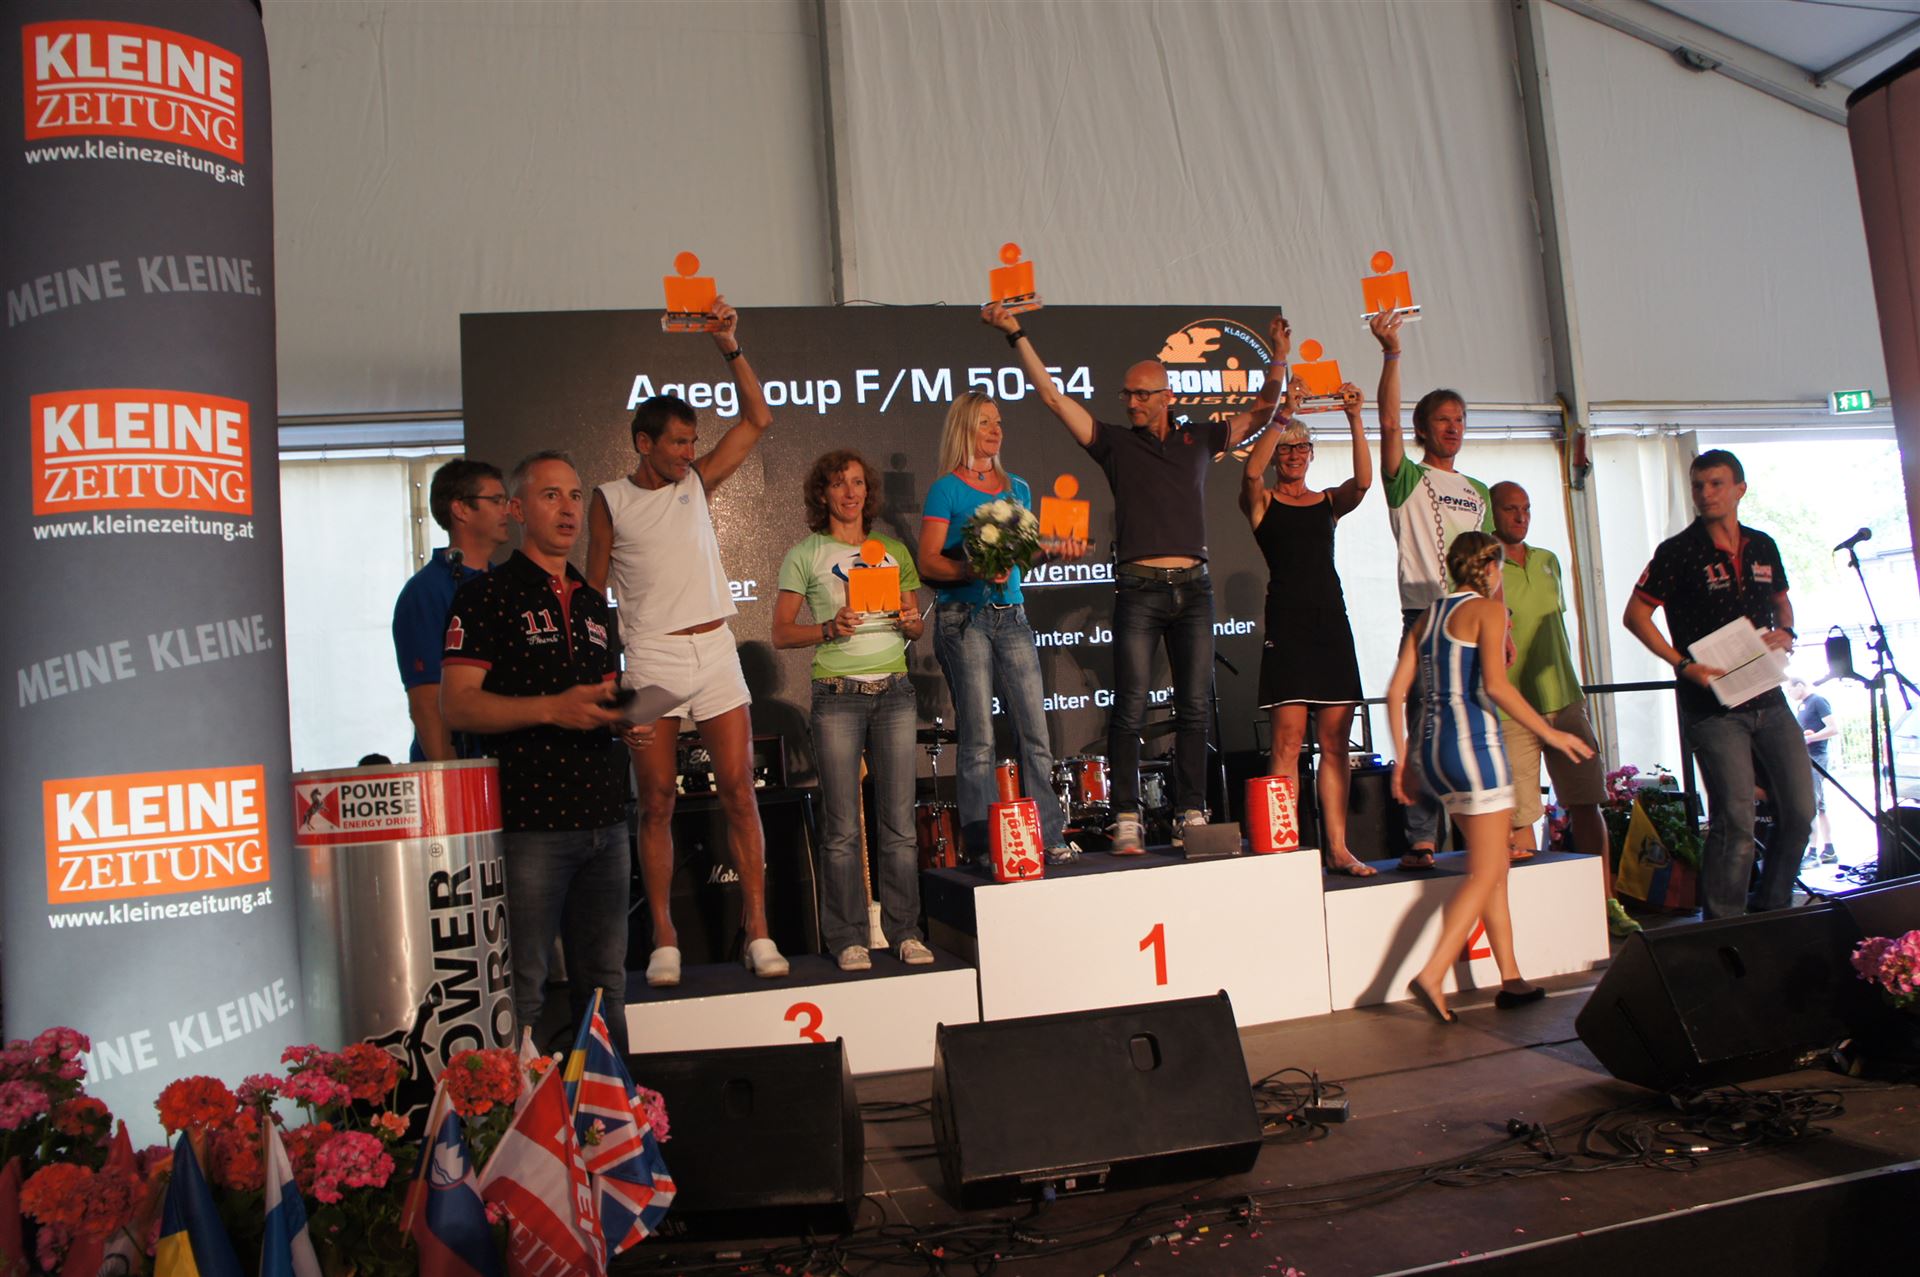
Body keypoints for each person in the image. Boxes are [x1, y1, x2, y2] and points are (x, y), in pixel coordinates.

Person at [985, 303, 1288, 851]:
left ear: (1167, 396)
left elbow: (1261, 413)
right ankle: (1127, 813)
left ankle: (1190, 811)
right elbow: (1052, 397)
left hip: (1193, 590)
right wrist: (1015, 333)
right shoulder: (1115, 444)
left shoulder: (1200, 439)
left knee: (1194, 706)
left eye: (1141, 394)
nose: (1130, 402)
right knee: (1128, 706)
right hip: (1140, 590)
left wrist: (1280, 359)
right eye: (1126, 395)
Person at [585, 295, 790, 985]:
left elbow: (758, 419)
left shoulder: (696, 484)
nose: (688, 452)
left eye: (692, 441)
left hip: (716, 653)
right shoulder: (609, 499)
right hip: (650, 660)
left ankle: (757, 931)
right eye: (677, 442)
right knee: (657, 802)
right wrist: (607, 682)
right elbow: (591, 596)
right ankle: (664, 938)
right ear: (643, 442)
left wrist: (728, 344)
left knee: (739, 791)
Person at [441, 451, 644, 1054]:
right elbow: (458, 705)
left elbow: (598, 697)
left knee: (606, 986)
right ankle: (515, 1112)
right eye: (551, 495)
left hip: (605, 819)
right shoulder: (486, 596)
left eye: (575, 495)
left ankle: (612, 1110)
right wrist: (552, 708)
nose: (568, 508)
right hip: (531, 823)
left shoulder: (592, 601)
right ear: (518, 509)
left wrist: (622, 720)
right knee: (523, 990)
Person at [1387, 532, 1595, 1022]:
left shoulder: (1428, 616)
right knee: (1485, 872)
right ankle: (1433, 974)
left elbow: (1396, 692)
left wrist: (1403, 760)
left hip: (1433, 752)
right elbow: (1498, 687)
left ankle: (1511, 977)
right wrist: (1550, 732)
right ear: (1490, 568)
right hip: (1474, 748)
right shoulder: (1488, 611)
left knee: (1493, 866)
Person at [1623, 449, 1813, 920]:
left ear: (1739, 490)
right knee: (1735, 820)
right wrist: (1682, 664)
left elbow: (1782, 603)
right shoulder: (1677, 551)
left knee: (1801, 809)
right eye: (1698, 485)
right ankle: (1724, 926)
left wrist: (1787, 632)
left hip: (1768, 694)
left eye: (1716, 484)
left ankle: (1773, 907)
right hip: (1712, 707)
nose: (1706, 494)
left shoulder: (1763, 545)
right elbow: (1636, 616)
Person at [773, 450, 933, 969]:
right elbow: (781, 632)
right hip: (837, 695)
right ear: (823, 494)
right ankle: (847, 938)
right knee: (842, 829)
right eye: (839, 483)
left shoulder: (892, 550)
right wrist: (828, 627)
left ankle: (905, 932)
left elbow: (915, 625)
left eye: (858, 483)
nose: (850, 492)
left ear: (869, 491)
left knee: (899, 825)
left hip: (894, 693)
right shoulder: (805, 554)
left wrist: (910, 622)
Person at [916, 393, 1080, 864]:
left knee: (1035, 733)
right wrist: (969, 570)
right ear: (964, 429)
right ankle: (984, 845)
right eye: (985, 422)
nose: (996, 430)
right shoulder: (945, 490)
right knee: (979, 739)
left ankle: (1049, 836)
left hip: (1012, 617)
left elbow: (1022, 559)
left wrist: (1051, 549)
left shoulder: (1017, 488)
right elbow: (928, 561)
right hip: (963, 619)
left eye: (999, 422)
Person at [1489, 481, 1639, 937]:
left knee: (1587, 802)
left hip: (1565, 700)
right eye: (1511, 509)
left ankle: (1605, 904)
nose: (1521, 517)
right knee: (1522, 817)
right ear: (1492, 513)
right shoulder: (1484, 569)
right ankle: (1535, 918)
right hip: (1513, 711)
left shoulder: (1548, 560)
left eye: (1526, 509)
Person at [1373, 309, 1495, 871]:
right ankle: (1422, 837)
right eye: (1443, 420)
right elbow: (1387, 424)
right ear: (1423, 428)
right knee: (1425, 723)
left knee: (1477, 719)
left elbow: (1489, 568)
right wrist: (1391, 354)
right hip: (1425, 614)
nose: (1453, 428)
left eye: (1460, 420)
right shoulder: (1408, 479)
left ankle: (1482, 827)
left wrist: (1502, 625)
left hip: (1473, 619)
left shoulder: (1477, 490)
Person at [1239, 378, 1373, 876]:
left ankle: (1337, 848)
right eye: (1287, 448)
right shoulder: (1262, 502)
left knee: (1336, 744)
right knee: (1287, 743)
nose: (1294, 455)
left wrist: (1355, 418)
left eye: (1302, 448)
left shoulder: (1328, 503)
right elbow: (1250, 473)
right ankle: (1284, 847)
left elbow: (1364, 483)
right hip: (1288, 629)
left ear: (1312, 455)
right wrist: (1281, 416)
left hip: (1331, 626)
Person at [392, 459, 509, 761]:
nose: (506, 510)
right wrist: (453, 779)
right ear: (460, 509)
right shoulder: (425, 591)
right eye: (496, 500)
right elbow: (427, 703)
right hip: (463, 767)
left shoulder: (507, 585)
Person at [1788, 677, 1838, 865]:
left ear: (1800, 685)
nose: (1789, 694)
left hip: (1817, 758)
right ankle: (1828, 850)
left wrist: (1810, 738)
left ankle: (1813, 852)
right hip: (1807, 759)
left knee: (1812, 805)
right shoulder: (1802, 706)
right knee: (1819, 805)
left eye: (1790, 689)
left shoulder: (1817, 701)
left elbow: (1833, 728)